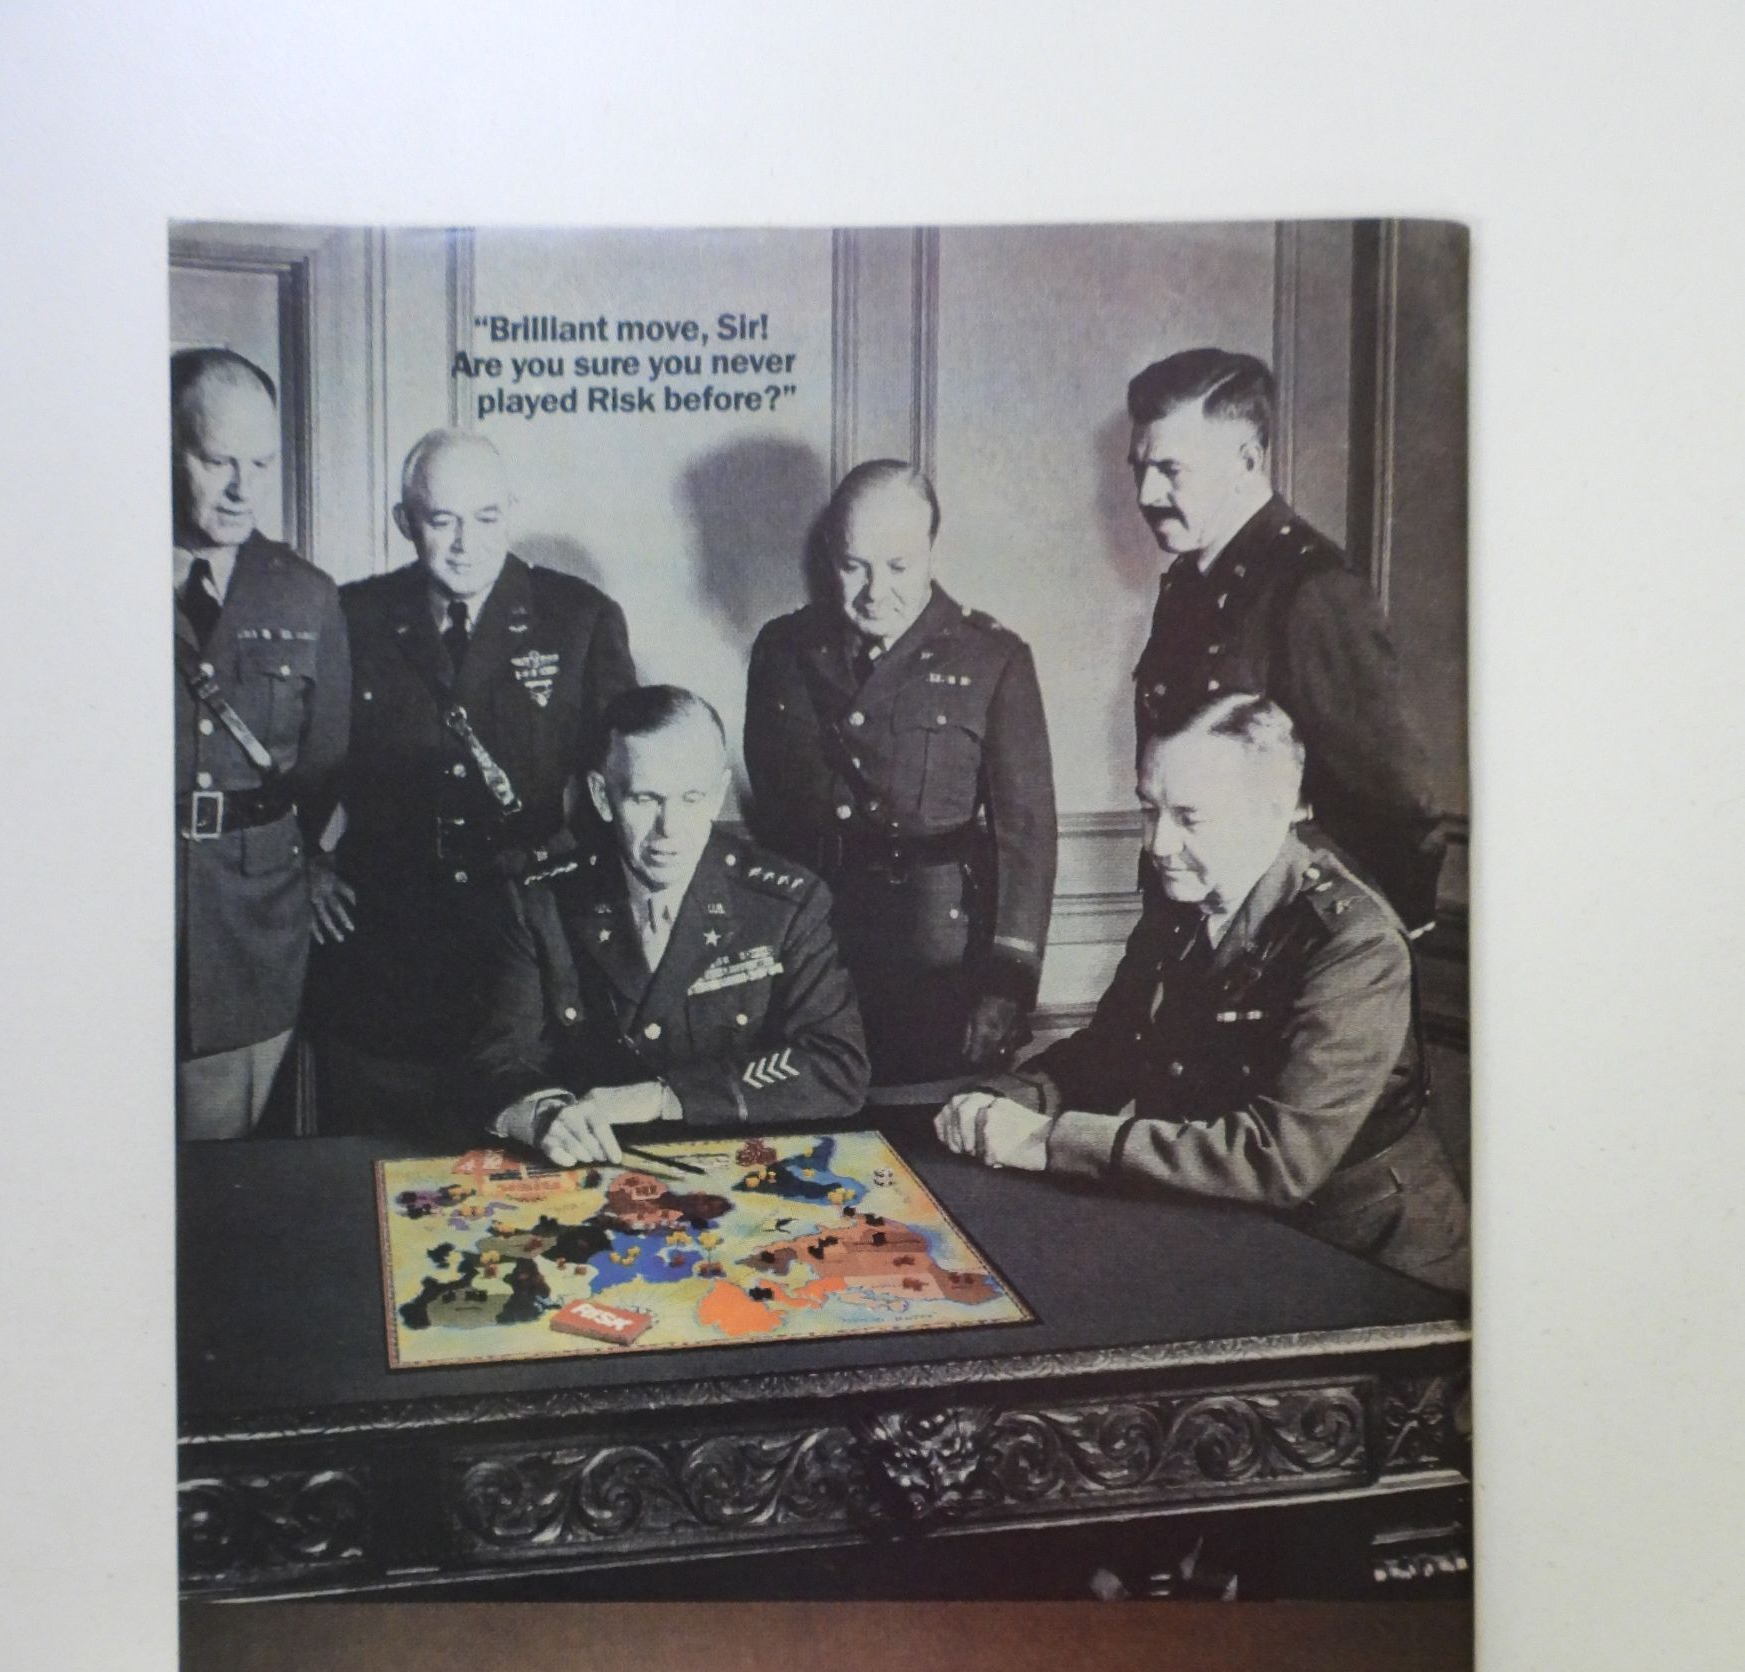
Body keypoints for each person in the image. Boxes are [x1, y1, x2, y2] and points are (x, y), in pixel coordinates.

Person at [935, 694, 1468, 1290]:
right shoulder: (1182, 901)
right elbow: (1113, 1050)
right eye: (1149, 809)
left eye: (1190, 818)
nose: (1158, 844)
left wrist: (1048, 1141)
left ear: (1276, 810)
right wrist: (1004, 1099)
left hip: (1367, 1263)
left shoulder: (1353, 942)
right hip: (1236, 1229)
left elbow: (1276, 1160)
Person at [312, 429, 636, 1135]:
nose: (466, 544)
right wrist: (304, 863)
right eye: (442, 520)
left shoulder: (577, 619)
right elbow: (295, 756)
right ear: (404, 521)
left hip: (526, 946)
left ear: (510, 512)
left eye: (486, 518)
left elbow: (623, 783)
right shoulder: (353, 617)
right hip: (388, 949)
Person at [743, 459, 1057, 1087]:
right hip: (812, 951)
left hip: (937, 961)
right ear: (830, 555)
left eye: (898, 567)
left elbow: (1026, 836)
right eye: (854, 566)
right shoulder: (783, 649)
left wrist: (1008, 983)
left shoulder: (991, 658)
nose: (874, 591)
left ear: (932, 553)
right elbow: (774, 819)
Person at [466, 686, 868, 1159]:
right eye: (645, 799)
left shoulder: (784, 904)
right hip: (582, 1166)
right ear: (601, 796)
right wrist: (542, 1113)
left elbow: (836, 1065)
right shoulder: (540, 901)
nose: (669, 828)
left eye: (691, 798)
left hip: (737, 1163)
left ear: (718, 795)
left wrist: (664, 1096)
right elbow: (498, 1057)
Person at [1127, 348, 1447, 932]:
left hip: (1281, 934)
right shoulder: (1188, 585)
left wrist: (1357, 947)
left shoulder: (1311, 587)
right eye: (1139, 468)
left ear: (1247, 461)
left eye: (1171, 470)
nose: (1147, 493)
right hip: (1193, 920)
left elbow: (1394, 802)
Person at [172, 348, 349, 1139]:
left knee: (225, 1157)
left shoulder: (303, 595)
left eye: (262, 463)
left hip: (249, 920)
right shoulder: (78, 576)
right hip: (108, 913)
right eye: (217, 462)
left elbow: (324, 767)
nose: (243, 487)